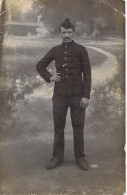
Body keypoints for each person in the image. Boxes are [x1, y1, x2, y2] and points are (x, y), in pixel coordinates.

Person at [36, 18, 91, 170]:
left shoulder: (81, 50)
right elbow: (40, 65)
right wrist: (50, 77)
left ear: (73, 33)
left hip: (77, 95)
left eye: (69, 32)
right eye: (64, 32)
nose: (66, 35)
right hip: (59, 95)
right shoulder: (55, 50)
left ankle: (80, 157)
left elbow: (87, 74)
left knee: (78, 127)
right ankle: (57, 157)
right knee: (58, 127)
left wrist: (85, 95)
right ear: (60, 34)